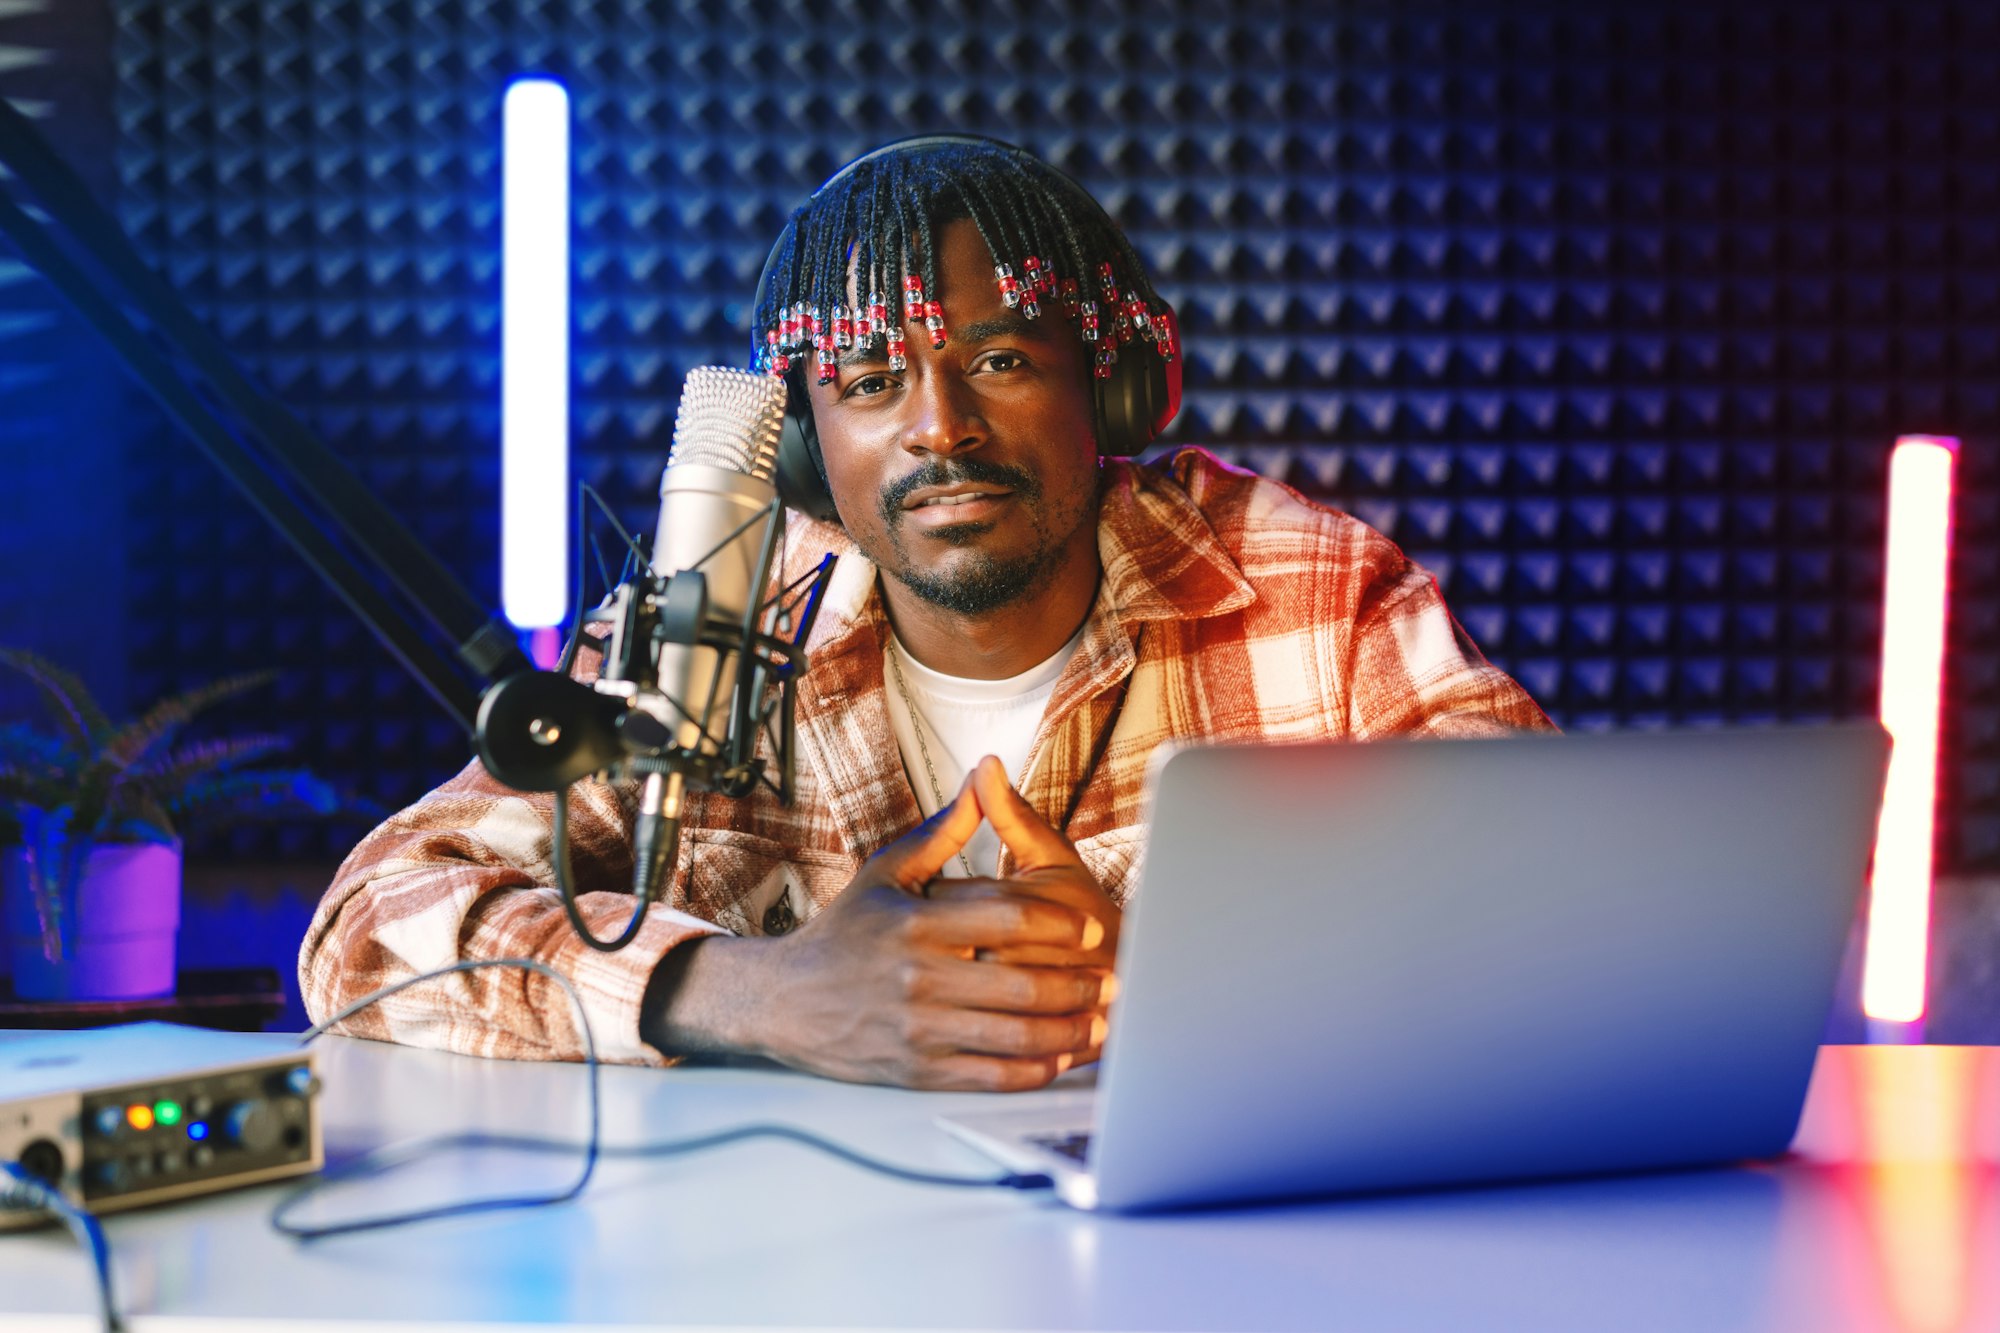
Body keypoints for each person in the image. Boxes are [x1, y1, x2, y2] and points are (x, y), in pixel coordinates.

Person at [299, 137, 1552, 1089]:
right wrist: (754, 993)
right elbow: (365, 933)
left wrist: (1175, 964)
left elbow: (1553, 906)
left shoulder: (1304, 587)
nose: (939, 426)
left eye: (1000, 361)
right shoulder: (709, 618)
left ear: (1106, 390)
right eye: (868, 381)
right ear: (803, 450)